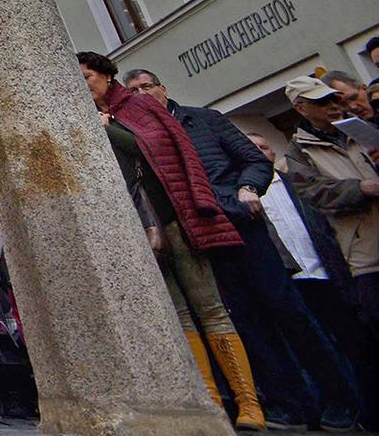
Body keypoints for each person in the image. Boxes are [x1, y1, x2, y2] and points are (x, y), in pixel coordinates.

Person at [125, 69, 356, 430]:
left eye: (147, 86)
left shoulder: (204, 120)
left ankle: (338, 397)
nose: (142, 94)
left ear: (162, 88)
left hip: (238, 222)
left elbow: (252, 159)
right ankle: (288, 402)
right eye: (133, 90)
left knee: (287, 310)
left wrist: (247, 188)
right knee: (244, 320)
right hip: (197, 236)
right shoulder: (136, 137)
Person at [78, 54, 260, 428]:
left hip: (175, 219)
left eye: (88, 76)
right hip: (136, 228)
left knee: (209, 308)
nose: (83, 84)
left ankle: (248, 402)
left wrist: (107, 128)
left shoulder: (138, 105)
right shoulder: (85, 116)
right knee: (176, 315)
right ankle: (208, 399)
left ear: (106, 75)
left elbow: (155, 147)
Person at [280, 74, 379, 431]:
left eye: (335, 99)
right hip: (363, 255)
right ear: (302, 108)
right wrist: (360, 188)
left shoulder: (363, 128)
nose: (334, 107)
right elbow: (315, 193)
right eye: (322, 103)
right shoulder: (299, 152)